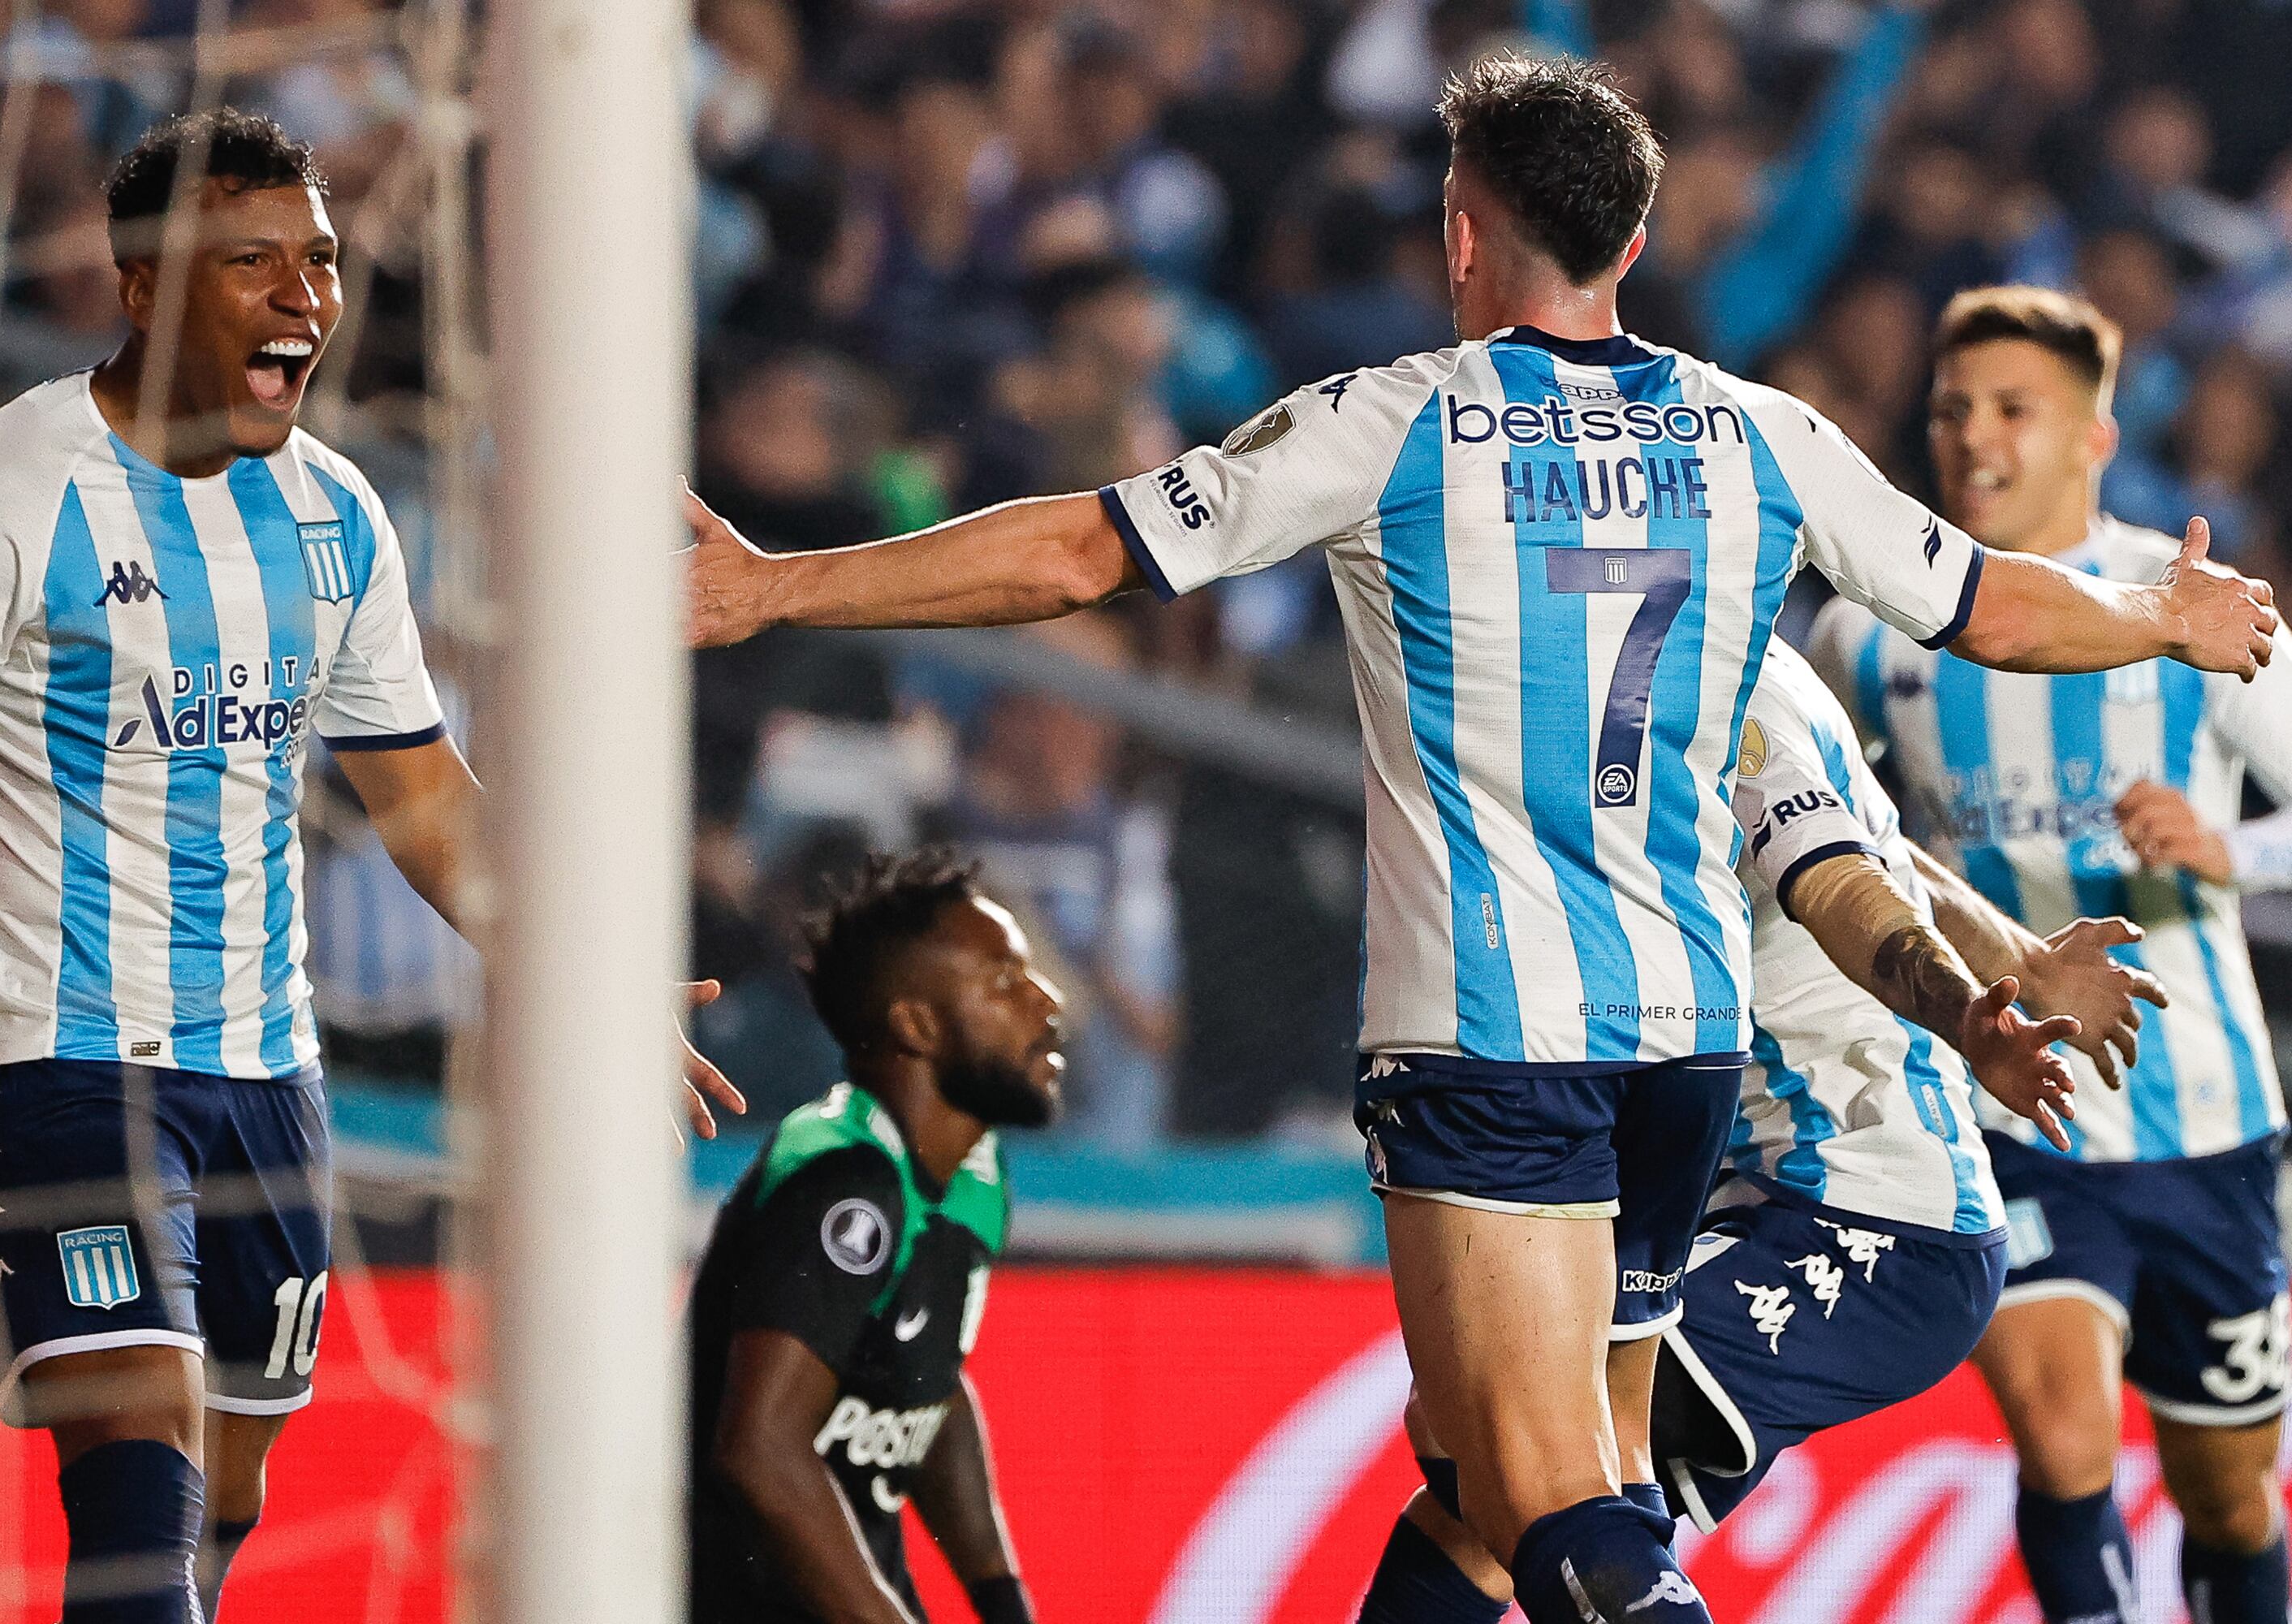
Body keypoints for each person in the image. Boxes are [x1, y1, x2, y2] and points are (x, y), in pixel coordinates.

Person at [685, 57, 2277, 1624]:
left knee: (1548, 1501)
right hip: (1685, 1052)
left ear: (1461, 233)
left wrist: (783, 583)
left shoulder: (1396, 424)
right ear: (1633, 248)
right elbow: (1991, 602)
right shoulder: (1759, 439)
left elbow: (1079, 553)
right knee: (1528, 1476)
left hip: (1491, 1044)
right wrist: (2164, 611)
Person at [0, 110, 738, 1624]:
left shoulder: (334, 516)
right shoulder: (5, 494)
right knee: (139, 1459)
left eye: (319, 263)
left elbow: (422, 803)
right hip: (62, 1061)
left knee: (228, 1493)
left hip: (269, 1076)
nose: (302, 298)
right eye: (250, 261)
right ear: (140, 286)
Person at [1350, 642, 2162, 1617]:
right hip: (1783, 1201)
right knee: (1490, 1507)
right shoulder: (1743, 649)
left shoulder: (1706, 685)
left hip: (1872, 1219)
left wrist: (1962, 1014)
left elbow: (1840, 874)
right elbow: (1893, 861)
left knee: (1494, 1439)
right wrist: (2026, 961)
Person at [1811, 283, 2292, 1624]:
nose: (1973, 436)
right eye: (1953, 408)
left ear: (2092, 433)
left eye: (2013, 409)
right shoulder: (1869, 628)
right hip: (2019, 1107)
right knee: (2065, 1435)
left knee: (2228, 1497)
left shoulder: (2193, 607)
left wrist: (2227, 850)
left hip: (2209, 1125)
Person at [689, 850, 1056, 1624]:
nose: (1046, 1002)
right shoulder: (843, 1179)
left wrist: (1003, 1603)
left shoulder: (976, 1174)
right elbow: (759, 1451)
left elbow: (925, 1386)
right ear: (915, 1024)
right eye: (1002, 982)